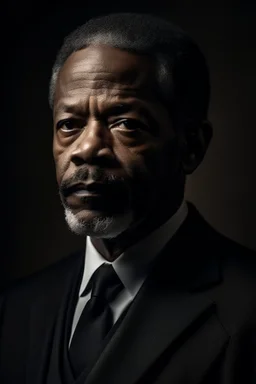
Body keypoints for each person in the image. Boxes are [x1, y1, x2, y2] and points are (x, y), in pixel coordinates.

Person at [0, 12, 255, 384]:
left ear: (192, 147)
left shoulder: (246, 310)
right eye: (69, 125)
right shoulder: (16, 310)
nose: (87, 148)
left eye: (127, 124)